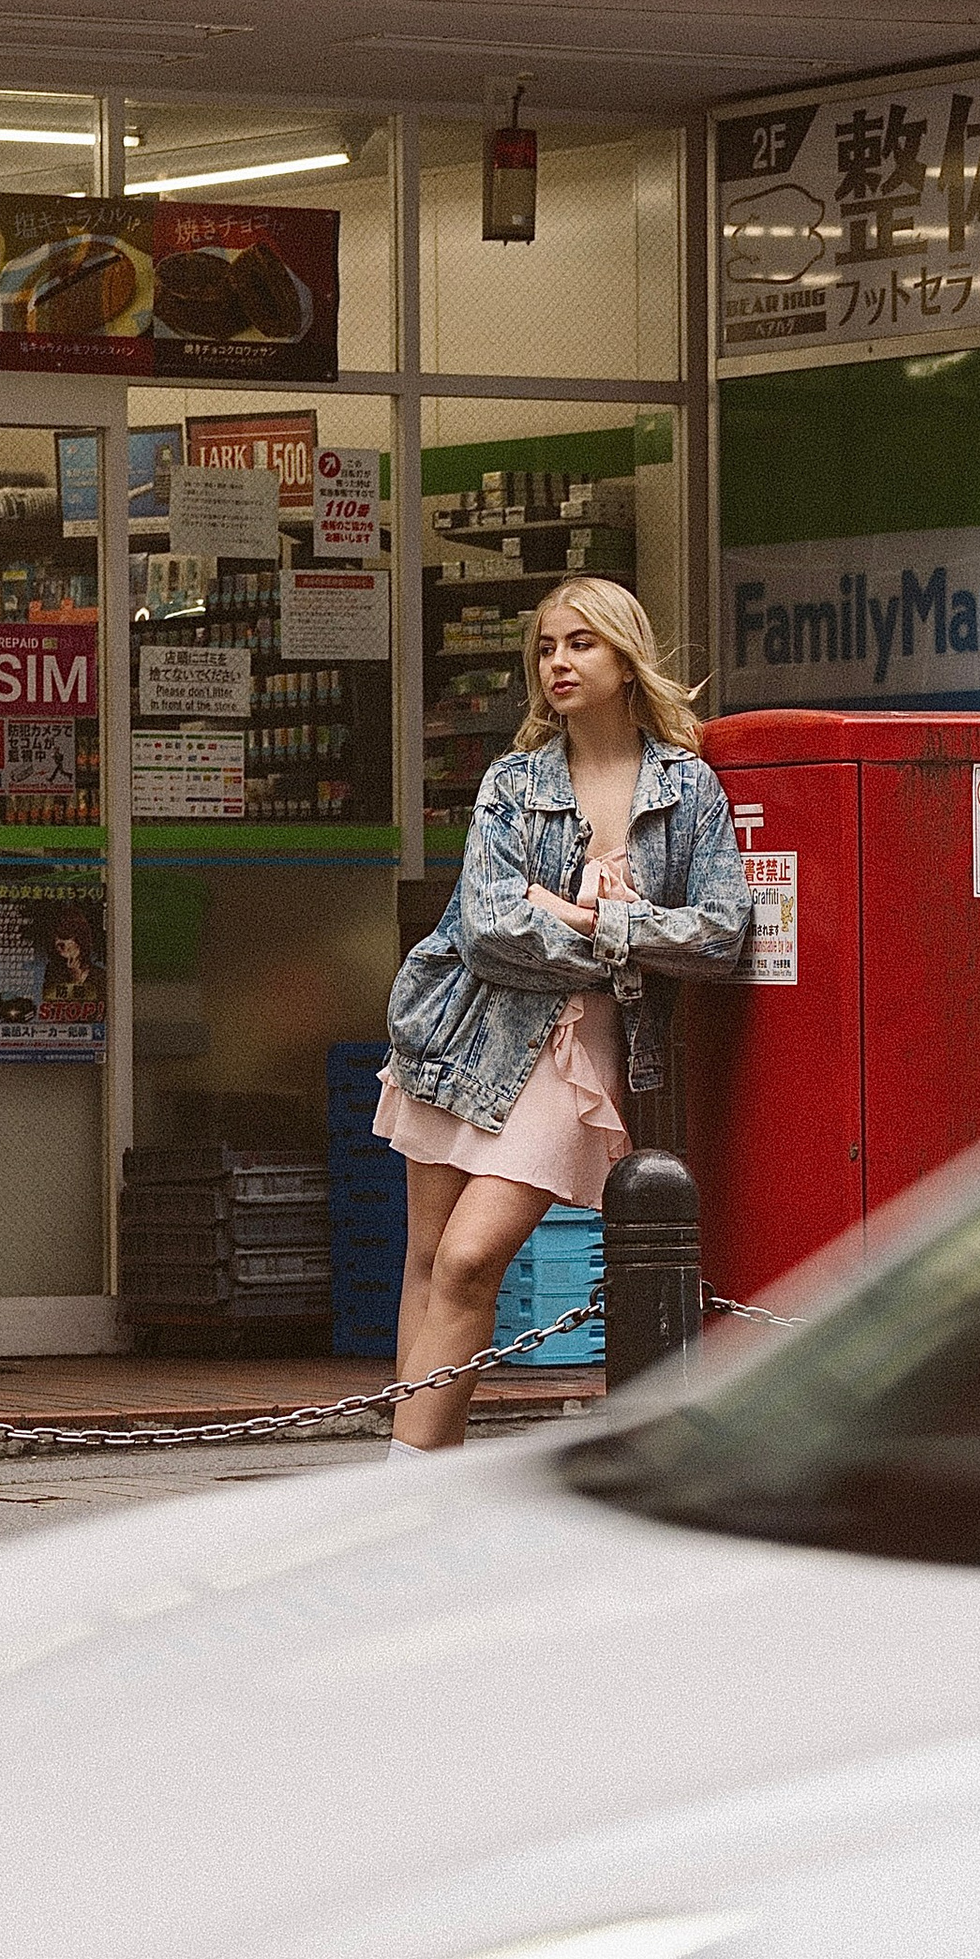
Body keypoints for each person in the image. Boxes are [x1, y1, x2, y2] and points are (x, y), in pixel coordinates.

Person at [377, 578, 751, 1454]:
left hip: (576, 1055)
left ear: (626, 659)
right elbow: (488, 928)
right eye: (547, 647)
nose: (558, 663)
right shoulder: (514, 780)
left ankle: (413, 1477)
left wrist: (596, 917)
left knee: (471, 1259)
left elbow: (720, 934)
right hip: (463, 1032)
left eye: (580, 644)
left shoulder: (687, 786)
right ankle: (413, 1483)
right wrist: (611, 932)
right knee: (428, 1264)